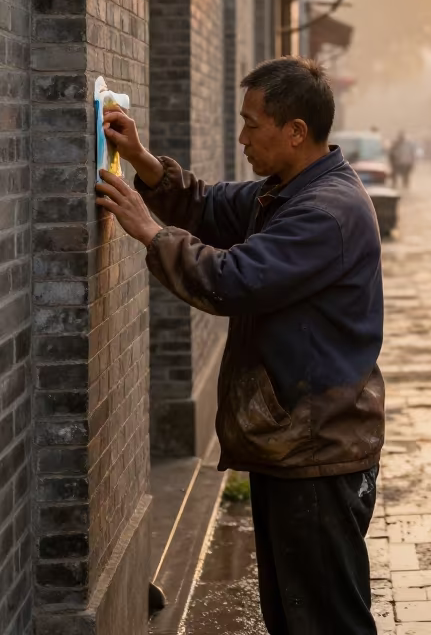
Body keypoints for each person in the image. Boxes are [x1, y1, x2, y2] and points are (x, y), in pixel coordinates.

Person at [95, 57, 384, 635]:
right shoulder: (288, 192)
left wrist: (149, 232)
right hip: (294, 440)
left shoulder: (325, 212)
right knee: (292, 614)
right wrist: (146, 165)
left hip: (316, 447)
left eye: (253, 124)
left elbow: (232, 280)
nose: (242, 136)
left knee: (325, 619)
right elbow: (211, 206)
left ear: (295, 132)